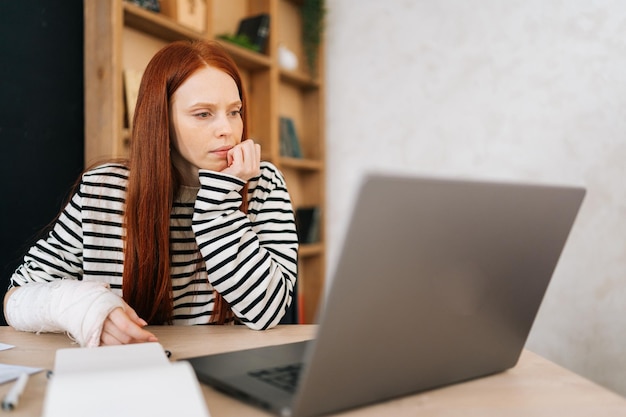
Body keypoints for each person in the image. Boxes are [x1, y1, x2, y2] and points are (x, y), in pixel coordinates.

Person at [3, 40, 298, 347]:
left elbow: (268, 311)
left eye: (234, 111)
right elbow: (17, 298)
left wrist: (217, 206)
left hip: (223, 368)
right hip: (129, 369)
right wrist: (85, 306)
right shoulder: (105, 191)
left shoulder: (263, 183)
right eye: (202, 114)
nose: (227, 129)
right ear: (162, 119)